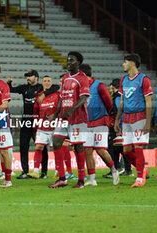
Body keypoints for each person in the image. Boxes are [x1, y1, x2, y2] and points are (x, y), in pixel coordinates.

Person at [7, 70, 59, 179]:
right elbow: (11, 89)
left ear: (36, 77)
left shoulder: (41, 87)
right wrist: (9, 83)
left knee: (41, 147)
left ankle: (44, 172)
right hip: (26, 121)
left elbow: (55, 87)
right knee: (23, 146)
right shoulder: (24, 88)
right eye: (27, 76)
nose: (28, 78)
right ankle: (25, 171)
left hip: (38, 122)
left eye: (30, 76)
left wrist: (44, 93)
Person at [49, 51, 89, 188]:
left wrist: (71, 110)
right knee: (56, 142)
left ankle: (81, 180)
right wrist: (56, 114)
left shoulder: (83, 78)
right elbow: (61, 97)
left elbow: (83, 98)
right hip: (64, 117)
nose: (69, 62)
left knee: (78, 146)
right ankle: (62, 178)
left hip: (78, 118)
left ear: (79, 63)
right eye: (68, 60)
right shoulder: (65, 78)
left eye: (72, 60)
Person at [114, 53, 152, 187]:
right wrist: (117, 120)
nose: (123, 64)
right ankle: (143, 170)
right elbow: (122, 102)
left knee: (138, 147)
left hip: (139, 117)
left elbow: (148, 102)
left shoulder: (143, 79)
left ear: (132, 63)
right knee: (127, 151)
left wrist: (148, 122)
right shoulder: (123, 80)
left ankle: (140, 178)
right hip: (127, 119)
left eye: (125, 62)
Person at [79, 64, 120, 186]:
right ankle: (92, 179)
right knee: (87, 151)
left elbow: (109, 103)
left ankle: (114, 170)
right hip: (87, 124)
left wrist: (108, 118)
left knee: (100, 149)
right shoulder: (81, 88)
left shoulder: (99, 86)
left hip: (100, 122)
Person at [27, 75, 60, 179]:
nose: (47, 82)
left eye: (49, 81)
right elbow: (36, 112)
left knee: (56, 149)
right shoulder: (39, 96)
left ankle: (58, 170)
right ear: (42, 83)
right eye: (45, 81)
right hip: (42, 126)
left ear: (51, 83)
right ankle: (36, 171)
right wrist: (35, 126)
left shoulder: (57, 94)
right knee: (39, 147)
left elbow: (61, 108)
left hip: (54, 126)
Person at [103, 78, 133, 178]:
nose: (110, 90)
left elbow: (118, 113)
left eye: (112, 88)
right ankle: (126, 169)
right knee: (119, 148)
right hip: (121, 125)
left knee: (113, 148)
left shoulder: (117, 98)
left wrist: (118, 126)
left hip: (117, 127)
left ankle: (117, 168)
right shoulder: (120, 97)